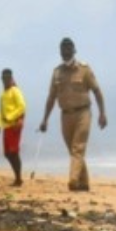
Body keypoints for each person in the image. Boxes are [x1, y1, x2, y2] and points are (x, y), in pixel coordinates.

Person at [38, 37, 107, 192]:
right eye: (63, 49)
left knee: (78, 147)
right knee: (74, 150)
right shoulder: (56, 73)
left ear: (74, 50)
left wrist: (102, 113)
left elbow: (97, 91)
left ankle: (73, 180)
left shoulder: (84, 69)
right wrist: (45, 120)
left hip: (83, 113)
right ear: (60, 52)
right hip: (65, 116)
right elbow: (51, 97)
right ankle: (84, 183)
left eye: (69, 48)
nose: (66, 51)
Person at [0, 68, 26, 187]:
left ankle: (18, 179)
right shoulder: (2, 94)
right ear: (2, 79)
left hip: (14, 125)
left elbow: (22, 106)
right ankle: (17, 177)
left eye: (8, 78)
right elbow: (0, 112)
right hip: (6, 126)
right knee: (7, 153)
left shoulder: (15, 91)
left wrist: (11, 117)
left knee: (14, 152)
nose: (6, 80)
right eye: (4, 78)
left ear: (11, 78)